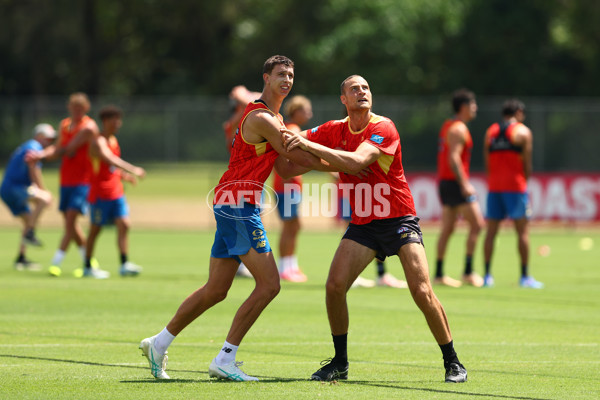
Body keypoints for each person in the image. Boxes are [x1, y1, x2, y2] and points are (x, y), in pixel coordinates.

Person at [139, 55, 328, 382]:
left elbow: (285, 167)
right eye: (281, 74)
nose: (287, 80)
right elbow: (292, 153)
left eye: (291, 75)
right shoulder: (262, 117)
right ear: (266, 77)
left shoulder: (276, 118)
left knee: (216, 289)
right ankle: (225, 358)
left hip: (235, 202)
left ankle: (159, 342)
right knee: (269, 285)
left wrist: (324, 161)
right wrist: (343, 160)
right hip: (239, 204)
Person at [281, 75, 467, 383]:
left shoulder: (383, 127)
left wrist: (310, 151)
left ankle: (453, 362)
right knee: (334, 287)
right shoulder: (334, 130)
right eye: (354, 89)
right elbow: (290, 151)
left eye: (365, 88)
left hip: (398, 219)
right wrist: (272, 141)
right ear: (344, 99)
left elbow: (355, 162)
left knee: (421, 291)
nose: (361, 92)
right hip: (364, 225)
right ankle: (340, 362)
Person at [31, 93, 100, 277]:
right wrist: (42, 154)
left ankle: (56, 263)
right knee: (71, 224)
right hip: (66, 180)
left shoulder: (88, 127)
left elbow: (67, 149)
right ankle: (90, 263)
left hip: (83, 181)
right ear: (69, 108)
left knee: (70, 221)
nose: (77, 112)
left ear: (86, 109)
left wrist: (41, 155)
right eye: (74, 108)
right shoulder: (64, 125)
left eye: (81, 109)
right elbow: (57, 148)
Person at [483, 99, 543, 289]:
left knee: (491, 232)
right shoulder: (523, 132)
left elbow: (487, 162)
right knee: (522, 232)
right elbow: (527, 163)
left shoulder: (490, 132)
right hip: (515, 187)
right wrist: (524, 181)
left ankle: (487, 276)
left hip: (495, 187)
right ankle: (525, 276)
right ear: (518, 112)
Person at [81, 105, 146, 279]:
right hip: (99, 194)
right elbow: (109, 158)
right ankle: (87, 266)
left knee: (124, 224)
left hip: (116, 192)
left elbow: (109, 167)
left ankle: (124, 264)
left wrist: (124, 176)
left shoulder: (113, 141)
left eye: (119, 119)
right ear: (104, 122)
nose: (117, 123)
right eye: (113, 120)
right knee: (95, 230)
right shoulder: (98, 141)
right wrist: (133, 169)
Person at [435, 89, 485, 288]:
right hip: (455, 184)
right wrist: (464, 184)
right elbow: (453, 158)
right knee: (477, 224)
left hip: (446, 182)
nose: (476, 109)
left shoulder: (448, 125)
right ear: (464, 107)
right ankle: (468, 272)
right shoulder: (458, 129)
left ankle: (439, 273)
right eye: (473, 105)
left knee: (447, 228)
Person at [1, 124, 55, 270]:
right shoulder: (34, 146)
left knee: (28, 220)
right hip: (15, 188)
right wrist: (43, 191)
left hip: (8, 189)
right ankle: (30, 234)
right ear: (39, 136)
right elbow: (33, 168)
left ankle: (21, 258)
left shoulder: (27, 145)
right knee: (44, 199)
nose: (49, 142)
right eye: (47, 138)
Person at [223, 85, 261, 278]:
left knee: (244, 224)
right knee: (244, 224)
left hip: (251, 181)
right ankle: (242, 264)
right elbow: (246, 99)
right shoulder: (234, 122)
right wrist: (248, 96)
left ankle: (238, 263)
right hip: (239, 182)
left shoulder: (245, 121)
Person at [275, 95, 312, 282]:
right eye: (306, 110)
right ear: (296, 112)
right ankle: (284, 267)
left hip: (290, 189)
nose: (309, 114)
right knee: (289, 227)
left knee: (294, 226)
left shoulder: (293, 129)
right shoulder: (293, 129)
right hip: (286, 189)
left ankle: (291, 265)